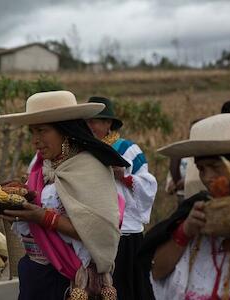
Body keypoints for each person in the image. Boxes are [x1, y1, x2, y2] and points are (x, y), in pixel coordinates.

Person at [0, 91, 129, 299]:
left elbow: (101, 230)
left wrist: (43, 217)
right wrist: (25, 196)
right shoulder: (47, 165)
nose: (35, 140)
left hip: (67, 278)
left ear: (65, 131)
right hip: (37, 274)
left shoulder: (89, 168)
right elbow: (51, 199)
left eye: (42, 130)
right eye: (32, 132)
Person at [140, 113, 230, 299]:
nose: (207, 177)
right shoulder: (194, 209)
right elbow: (158, 271)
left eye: (215, 166)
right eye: (201, 169)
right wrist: (185, 231)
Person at [85, 96, 157, 300]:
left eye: (95, 121)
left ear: (108, 123)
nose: (90, 126)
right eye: (87, 121)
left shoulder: (128, 149)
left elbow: (148, 184)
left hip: (125, 232)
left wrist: (124, 176)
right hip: (92, 230)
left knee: (125, 287)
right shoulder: (80, 150)